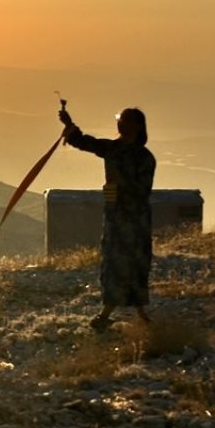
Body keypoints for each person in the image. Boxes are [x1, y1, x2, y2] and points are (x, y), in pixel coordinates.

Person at [58, 106, 156, 331]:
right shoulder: (113, 148)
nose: (120, 124)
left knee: (136, 264)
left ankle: (135, 312)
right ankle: (115, 312)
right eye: (120, 120)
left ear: (138, 126)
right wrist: (68, 124)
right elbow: (83, 141)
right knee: (113, 263)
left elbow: (142, 191)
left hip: (135, 219)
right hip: (115, 217)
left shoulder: (144, 158)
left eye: (125, 121)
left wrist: (120, 181)